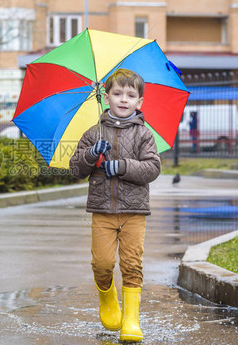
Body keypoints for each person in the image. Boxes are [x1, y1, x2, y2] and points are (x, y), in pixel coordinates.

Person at [69, 68, 161, 342]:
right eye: (118, 93)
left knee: (132, 265)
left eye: (130, 95)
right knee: (102, 263)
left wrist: (121, 166)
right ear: (106, 97)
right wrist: (90, 153)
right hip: (102, 211)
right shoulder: (93, 133)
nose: (124, 99)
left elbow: (152, 168)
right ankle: (107, 298)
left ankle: (131, 320)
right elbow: (76, 169)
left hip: (134, 212)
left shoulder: (144, 135)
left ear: (139, 102)